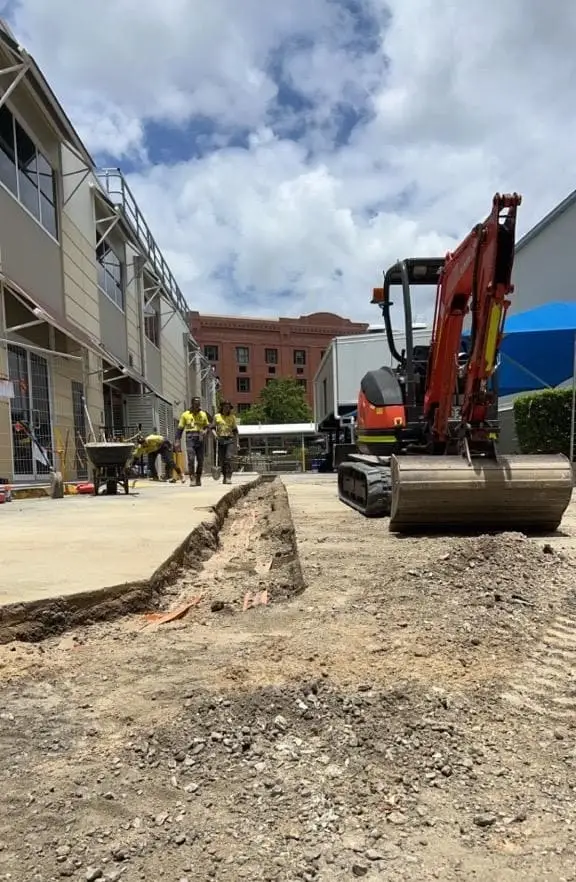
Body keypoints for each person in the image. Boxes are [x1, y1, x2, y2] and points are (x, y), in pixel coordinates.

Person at [175, 397, 211, 486]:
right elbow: (180, 429)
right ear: (192, 404)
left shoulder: (203, 414)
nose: (198, 406)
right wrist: (177, 441)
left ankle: (198, 477)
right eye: (196, 404)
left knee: (200, 460)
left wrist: (205, 431)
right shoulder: (185, 414)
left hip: (200, 438)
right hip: (190, 438)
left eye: (199, 404)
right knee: (191, 459)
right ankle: (192, 478)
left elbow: (207, 426)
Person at [212, 400, 238, 485]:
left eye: (228, 407)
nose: (227, 409)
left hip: (229, 439)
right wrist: (215, 435)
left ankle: (228, 477)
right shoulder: (217, 416)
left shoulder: (232, 417)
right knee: (222, 460)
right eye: (225, 407)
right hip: (220, 439)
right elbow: (212, 428)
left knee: (228, 458)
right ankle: (224, 476)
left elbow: (235, 431)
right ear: (222, 407)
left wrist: (237, 443)